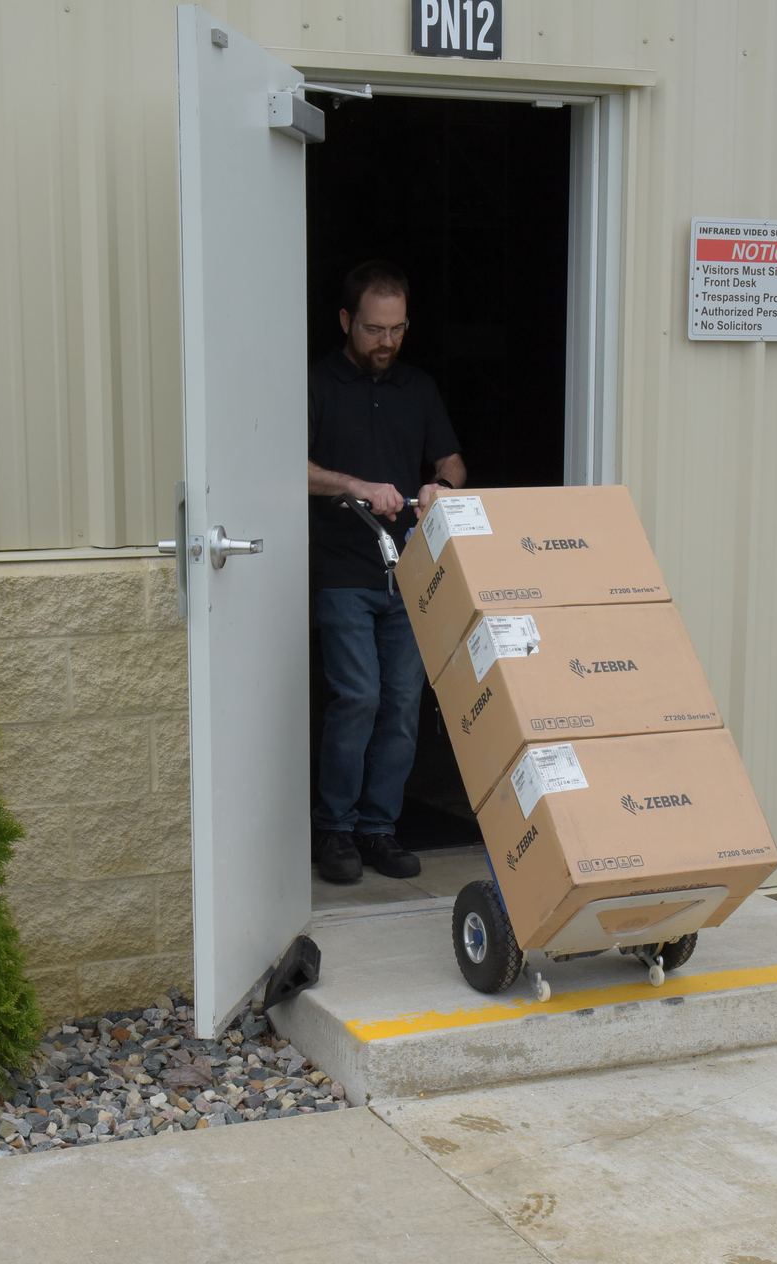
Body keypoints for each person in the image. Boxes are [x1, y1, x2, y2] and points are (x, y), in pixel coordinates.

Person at [307, 261, 466, 884]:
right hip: (342, 569)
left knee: (402, 703)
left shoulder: (417, 387)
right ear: (346, 320)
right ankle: (335, 830)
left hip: (409, 572)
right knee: (359, 697)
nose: (386, 342)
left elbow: (452, 460)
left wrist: (439, 486)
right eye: (374, 329)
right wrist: (355, 485)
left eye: (397, 329)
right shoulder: (315, 384)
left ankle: (379, 829)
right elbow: (284, 466)